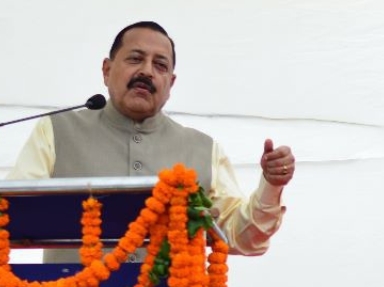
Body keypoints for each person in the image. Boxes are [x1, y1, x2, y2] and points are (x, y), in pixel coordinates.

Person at [6, 21, 294, 256]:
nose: (146, 71)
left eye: (160, 65)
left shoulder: (203, 150)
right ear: (106, 70)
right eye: (135, 58)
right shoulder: (57, 131)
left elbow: (243, 239)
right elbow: (9, 216)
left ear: (171, 83)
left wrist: (271, 185)